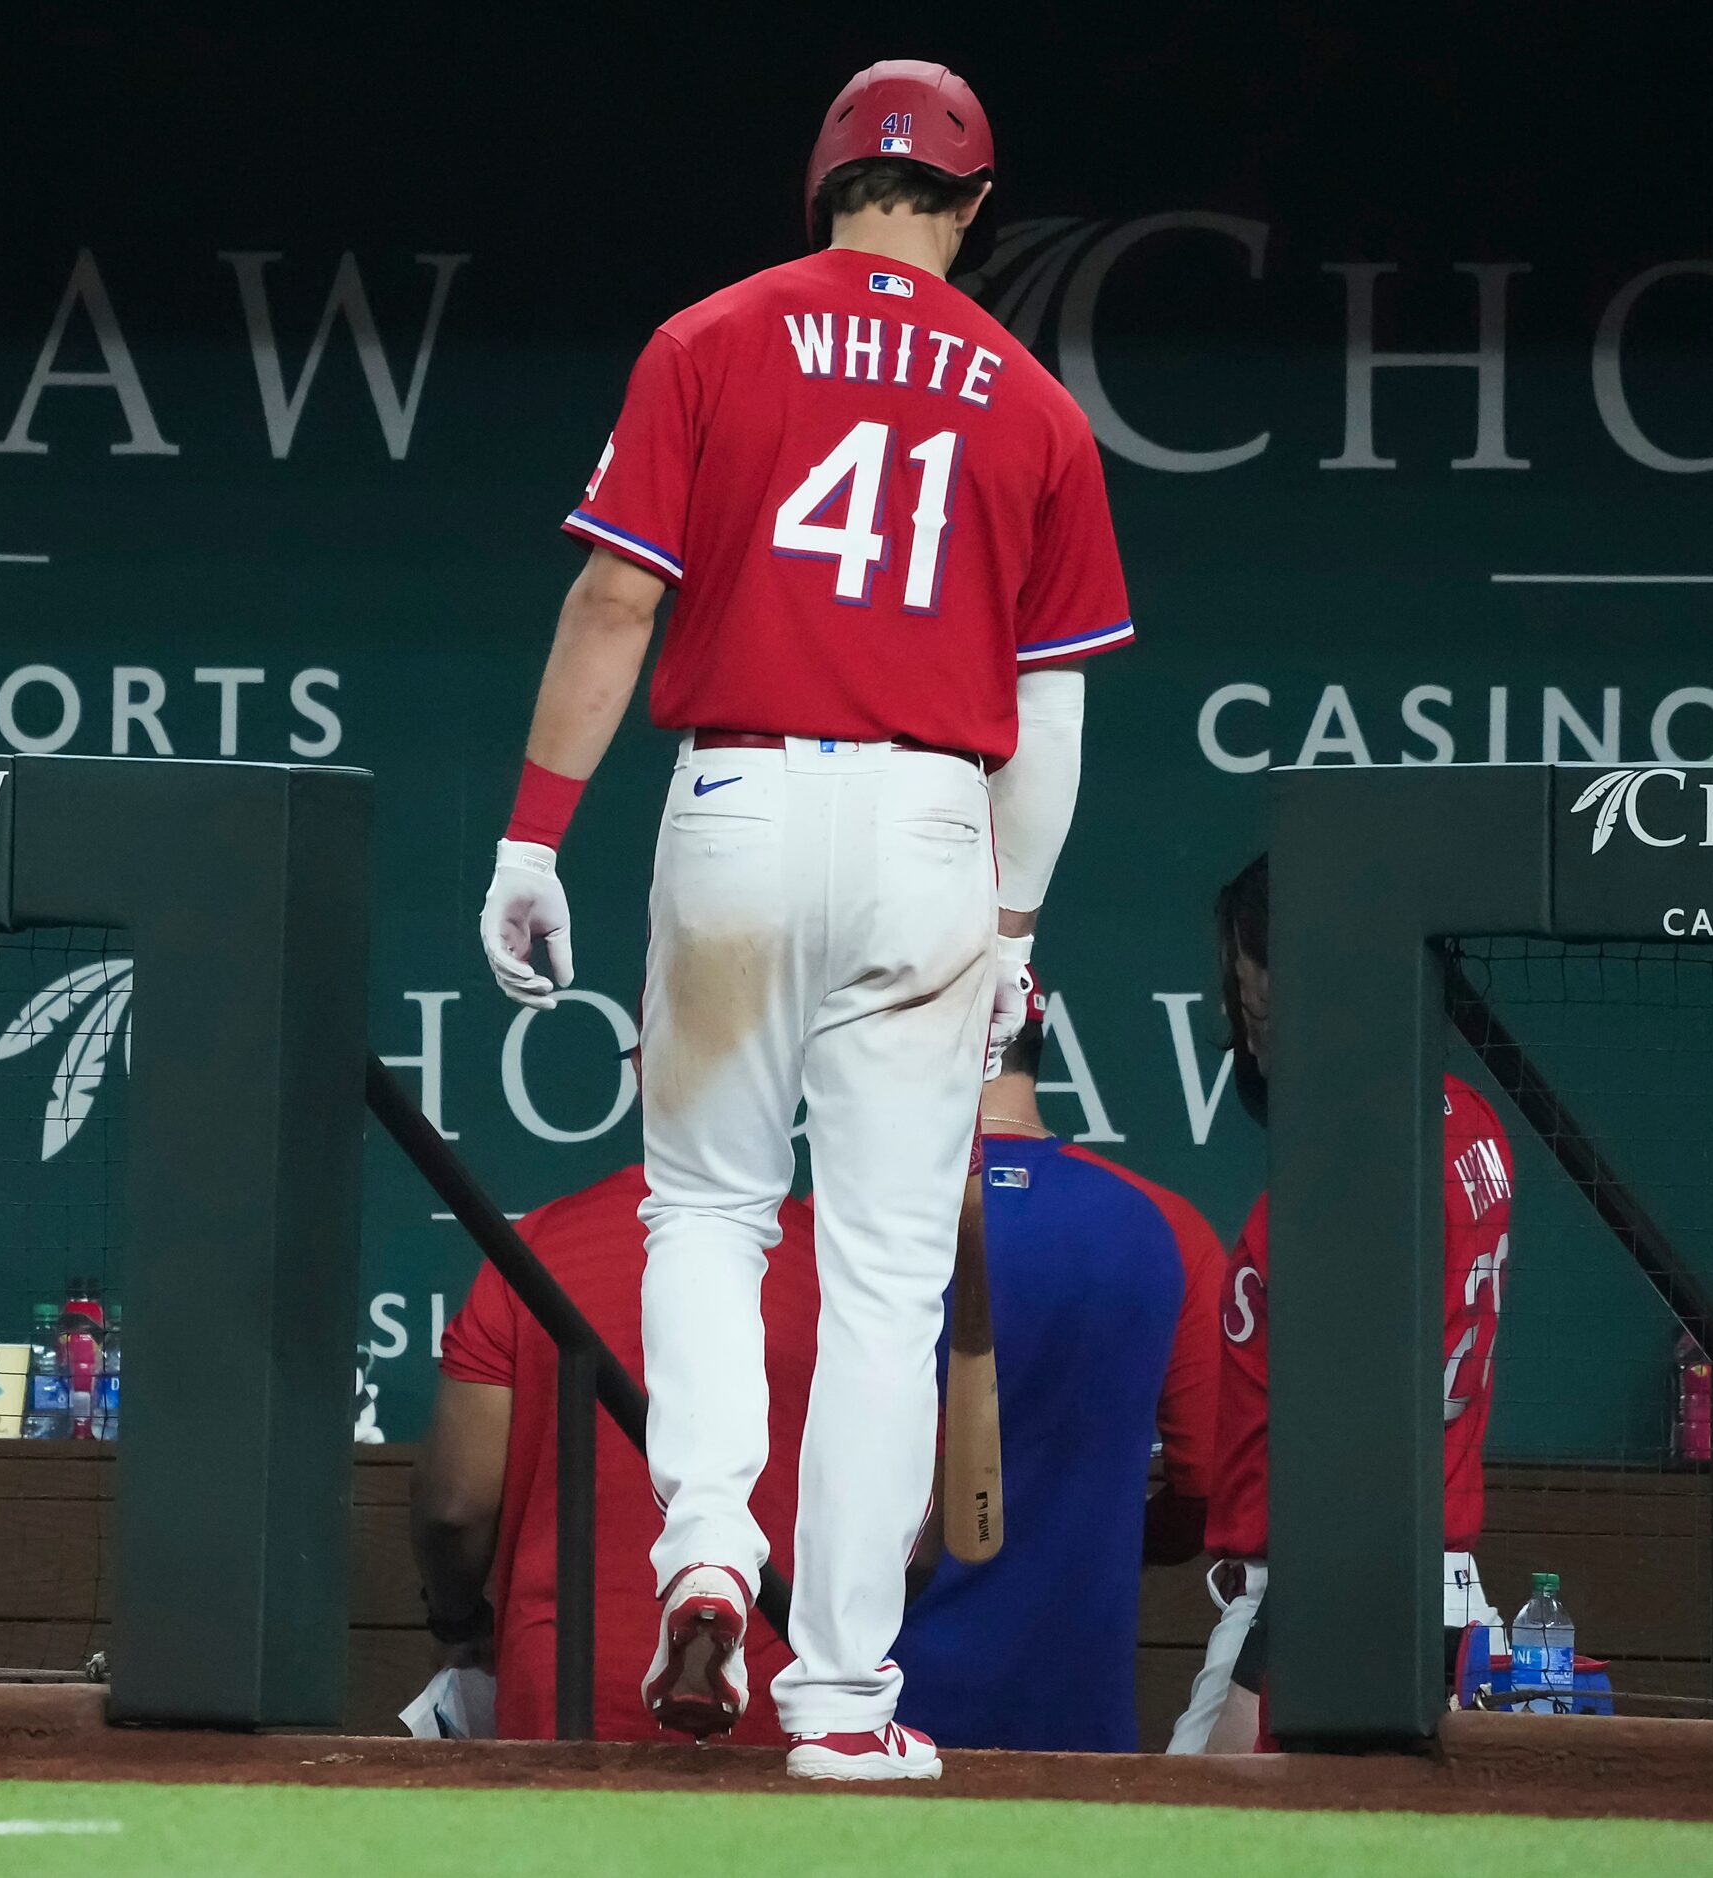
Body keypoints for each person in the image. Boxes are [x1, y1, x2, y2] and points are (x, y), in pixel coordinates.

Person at [474, 58, 1131, 1782]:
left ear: (822, 183)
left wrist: (535, 837)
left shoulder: (711, 336)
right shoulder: (1035, 403)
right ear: (974, 211)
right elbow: (1051, 718)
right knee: (888, 1274)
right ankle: (840, 1692)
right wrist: (1017, 927)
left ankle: (705, 1542)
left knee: (702, 1206)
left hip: (740, 798)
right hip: (929, 821)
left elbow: (619, 591)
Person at [1170, 855, 1515, 1753]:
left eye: (1258, 1010)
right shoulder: (1469, 1121)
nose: (1251, 1041)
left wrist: (1257, 1674)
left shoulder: (1335, 1189)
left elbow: (1349, 1464)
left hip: (1316, 1616)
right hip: (1449, 1600)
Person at [890, 984, 1226, 1751]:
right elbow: (1203, 1487)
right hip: (1079, 1709)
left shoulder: (858, 1224)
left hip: (880, 1713)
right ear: (1033, 1048)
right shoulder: (1167, 1224)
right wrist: (1085, 1540)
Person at [409, 1161, 822, 1744]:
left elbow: (456, 1505)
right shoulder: (828, 1263)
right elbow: (912, 1539)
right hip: (780, 1689)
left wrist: (455, 1619)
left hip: (564, 1689)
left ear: (637, 1067)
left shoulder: (541, 1246)